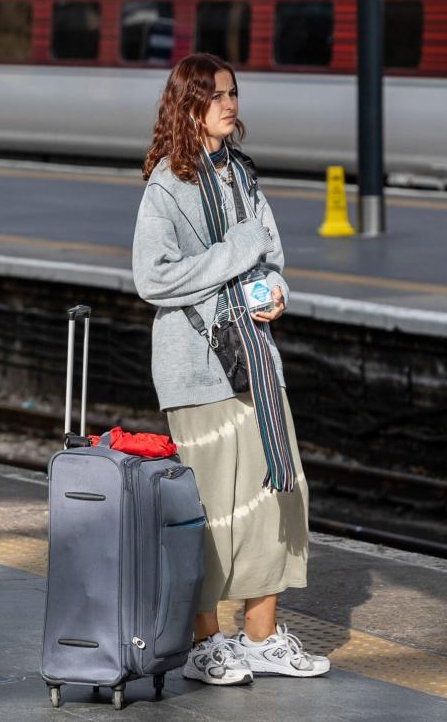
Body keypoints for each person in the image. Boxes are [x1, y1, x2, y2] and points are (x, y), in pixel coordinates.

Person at [131, 53, 330, 686]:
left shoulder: (242, 176)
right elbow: (152, 278)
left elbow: (270, 255)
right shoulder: (167, 185)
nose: (228, 103)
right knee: (212, 511)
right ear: (185, 105)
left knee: (275, 500)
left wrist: (275, 292)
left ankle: (262, 637)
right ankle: (204, 644)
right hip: (196, 367)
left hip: (255, 364)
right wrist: (235, 256)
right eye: (214, 95)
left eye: (232, 92)